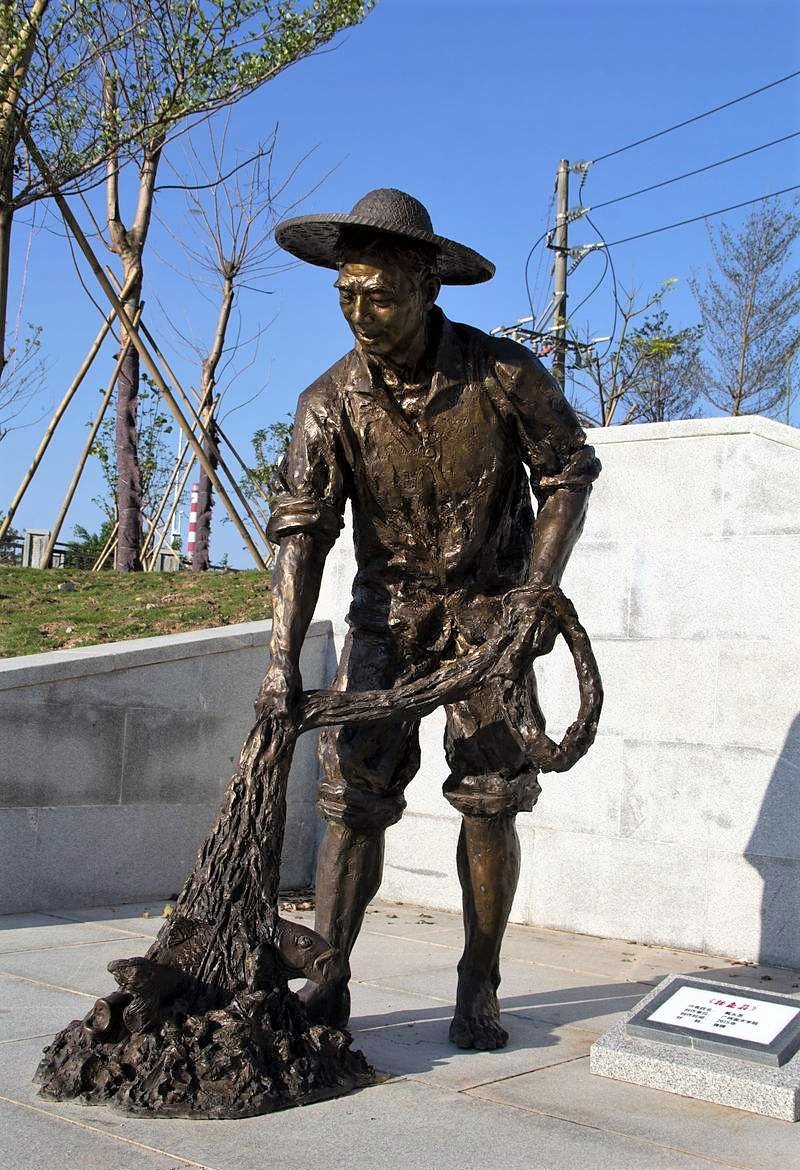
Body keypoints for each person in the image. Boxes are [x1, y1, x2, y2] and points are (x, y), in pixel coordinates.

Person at [258, 188, 600, 1050]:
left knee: (490, 800)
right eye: (346, 295)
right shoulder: (328, 401)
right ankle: (327, 981)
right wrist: (280, 662)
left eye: (378, 296)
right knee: (351, 803)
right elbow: (302, 534)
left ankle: (479, 981)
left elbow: (567, 472)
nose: (359, 313)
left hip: (490, 621)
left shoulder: (502, 372)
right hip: (387, 623)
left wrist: (536, 591)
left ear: (426, 288)